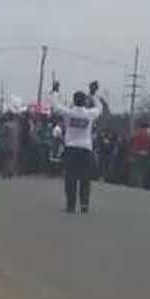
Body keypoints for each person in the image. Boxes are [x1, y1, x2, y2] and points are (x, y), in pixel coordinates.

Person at [50, 80, 107, 214]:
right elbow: (100, 108)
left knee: (70, 178)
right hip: (86, 150)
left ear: (74, 101)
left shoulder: (68, 113)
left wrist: (55, 91)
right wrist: (93, 94)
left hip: (70, 149)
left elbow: (55, 105)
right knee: (85, 179)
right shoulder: (89, 114)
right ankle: (84, 205)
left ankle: (70, 205)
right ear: (85, 102)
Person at [128, 122, 150, 188]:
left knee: (135, 169)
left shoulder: (138, 132)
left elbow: (135, 144)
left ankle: (133, 182)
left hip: (137, 153)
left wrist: (132, 154)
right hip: (146, 154)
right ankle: (140, 184)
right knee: (142, 170)